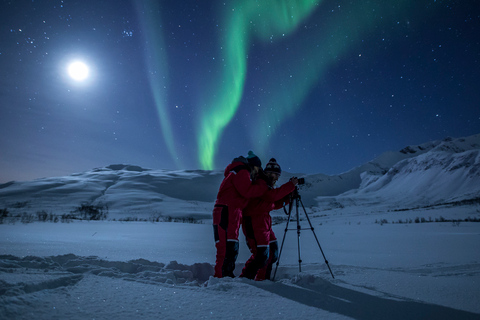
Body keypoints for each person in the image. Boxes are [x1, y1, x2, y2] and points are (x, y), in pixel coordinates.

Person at [212, 151, 269, 278]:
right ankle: (220, 281)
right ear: (253, 166)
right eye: (257, 169)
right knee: (226, 249)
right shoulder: (242, 171)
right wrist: (262, 185)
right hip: (226, 212)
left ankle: (225, 277)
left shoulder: (238, 171)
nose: (257, 173)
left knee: (230, 248)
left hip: (230, 213)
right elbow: (247, 191)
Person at [240, 158, 298, 281]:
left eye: (277, 175)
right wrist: (290, 186)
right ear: (267, 173)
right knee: (260, 255)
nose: (276, 178)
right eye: (274, 174)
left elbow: (272, 203)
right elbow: (271, 196)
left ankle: (263, 280)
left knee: (272, 253)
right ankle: (244, 280)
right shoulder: (261, 182)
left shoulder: (267, 185)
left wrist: (288, 198)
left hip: (264, 222)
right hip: (254, 222)